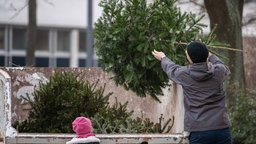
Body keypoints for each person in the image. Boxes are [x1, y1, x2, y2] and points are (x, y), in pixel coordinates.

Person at [152, 41, 232, 144]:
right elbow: (221, 64)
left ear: (190, 58)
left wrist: (163, 58)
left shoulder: (184, 74)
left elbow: (171, 68)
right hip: (222, 128)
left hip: (199, 130)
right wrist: (208, 53)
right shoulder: (219, 71)